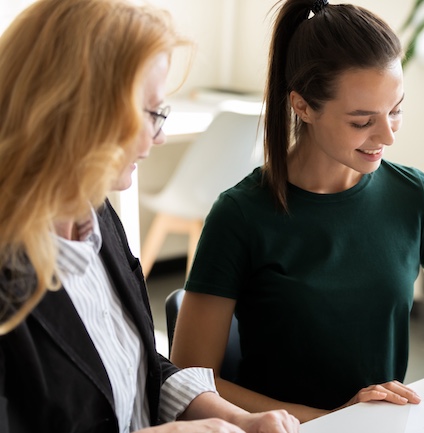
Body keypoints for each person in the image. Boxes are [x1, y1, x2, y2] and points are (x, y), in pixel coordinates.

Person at [170, 0, 424, 424]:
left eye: (395, 111)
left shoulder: (416, 197)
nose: (387, 136)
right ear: (303, 106)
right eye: (362, 121)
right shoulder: (240, 216)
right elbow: (191, 380)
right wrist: (331, 419)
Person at [0, 0, 300, 432]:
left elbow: (137, 367)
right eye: (151, 113)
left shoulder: (97, 215)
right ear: (81, 110)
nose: (159, 137)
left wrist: (238, 419)